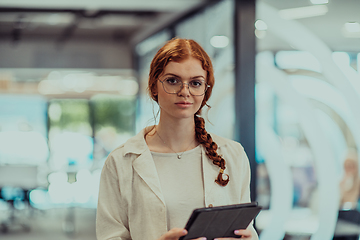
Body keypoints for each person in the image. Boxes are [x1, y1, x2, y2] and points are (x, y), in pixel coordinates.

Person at [96, 38, 259, 240]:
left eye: (195, 83)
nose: (185, 91)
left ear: (205, 90)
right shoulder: (121, 161)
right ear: (154, 86)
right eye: (173, 80)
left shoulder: (233, 155)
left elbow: (246, 230)